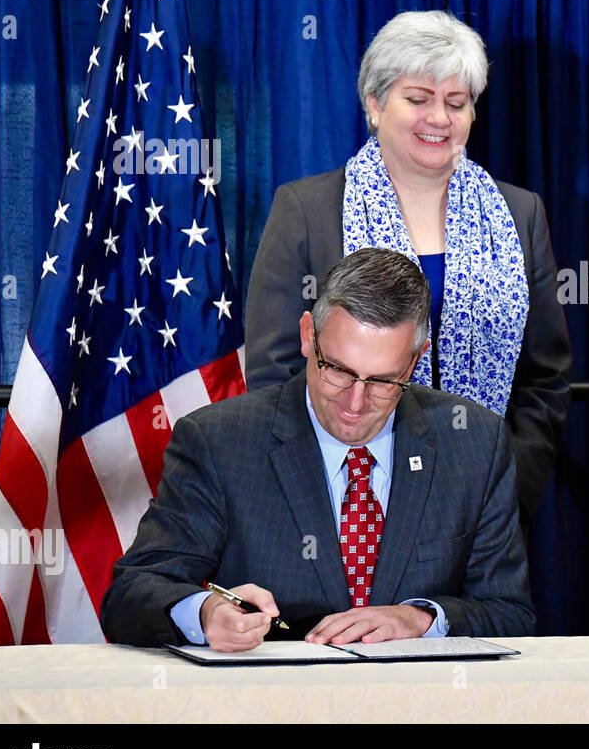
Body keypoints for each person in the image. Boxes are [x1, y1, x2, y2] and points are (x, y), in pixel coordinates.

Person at [102, 249, 535, 651]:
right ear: (309, 335)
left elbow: (510, 614)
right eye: (338, 370)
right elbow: (131, 594)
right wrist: (204, 611)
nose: (356, 402)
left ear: (416, 361)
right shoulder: (219, 442)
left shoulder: (475, 443)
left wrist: (423, 620)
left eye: (384, 381)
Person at [246, 10, 571, 528]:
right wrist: (327, 486)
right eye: (418, 99)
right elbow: (274, 371)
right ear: (374, 104)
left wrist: (507, 489)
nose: (439, 119)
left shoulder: (520, 213)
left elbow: (544, 378)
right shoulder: (306, 210)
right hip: (341, 500)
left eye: (456, 103)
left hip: (485, 506)